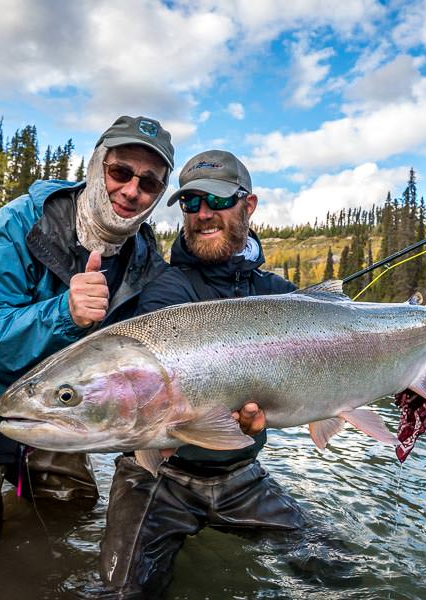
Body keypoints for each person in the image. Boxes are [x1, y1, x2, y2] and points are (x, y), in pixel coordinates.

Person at [0, 115, 176, 546]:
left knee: (70, 506)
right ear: (96, 165)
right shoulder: (19, 223)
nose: (131, 190)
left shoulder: (143, 259)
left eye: (149, 183)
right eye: (120, 172)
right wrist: (64, 313)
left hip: (54, 398)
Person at [98, 150, 306, 595]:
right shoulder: (164, 292)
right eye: (191, 203)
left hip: (240, 473)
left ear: (248, 206)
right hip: (157, 475)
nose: (203, 214)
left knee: (331, 564)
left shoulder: (280, 296)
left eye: (217, 201)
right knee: (123, 592)